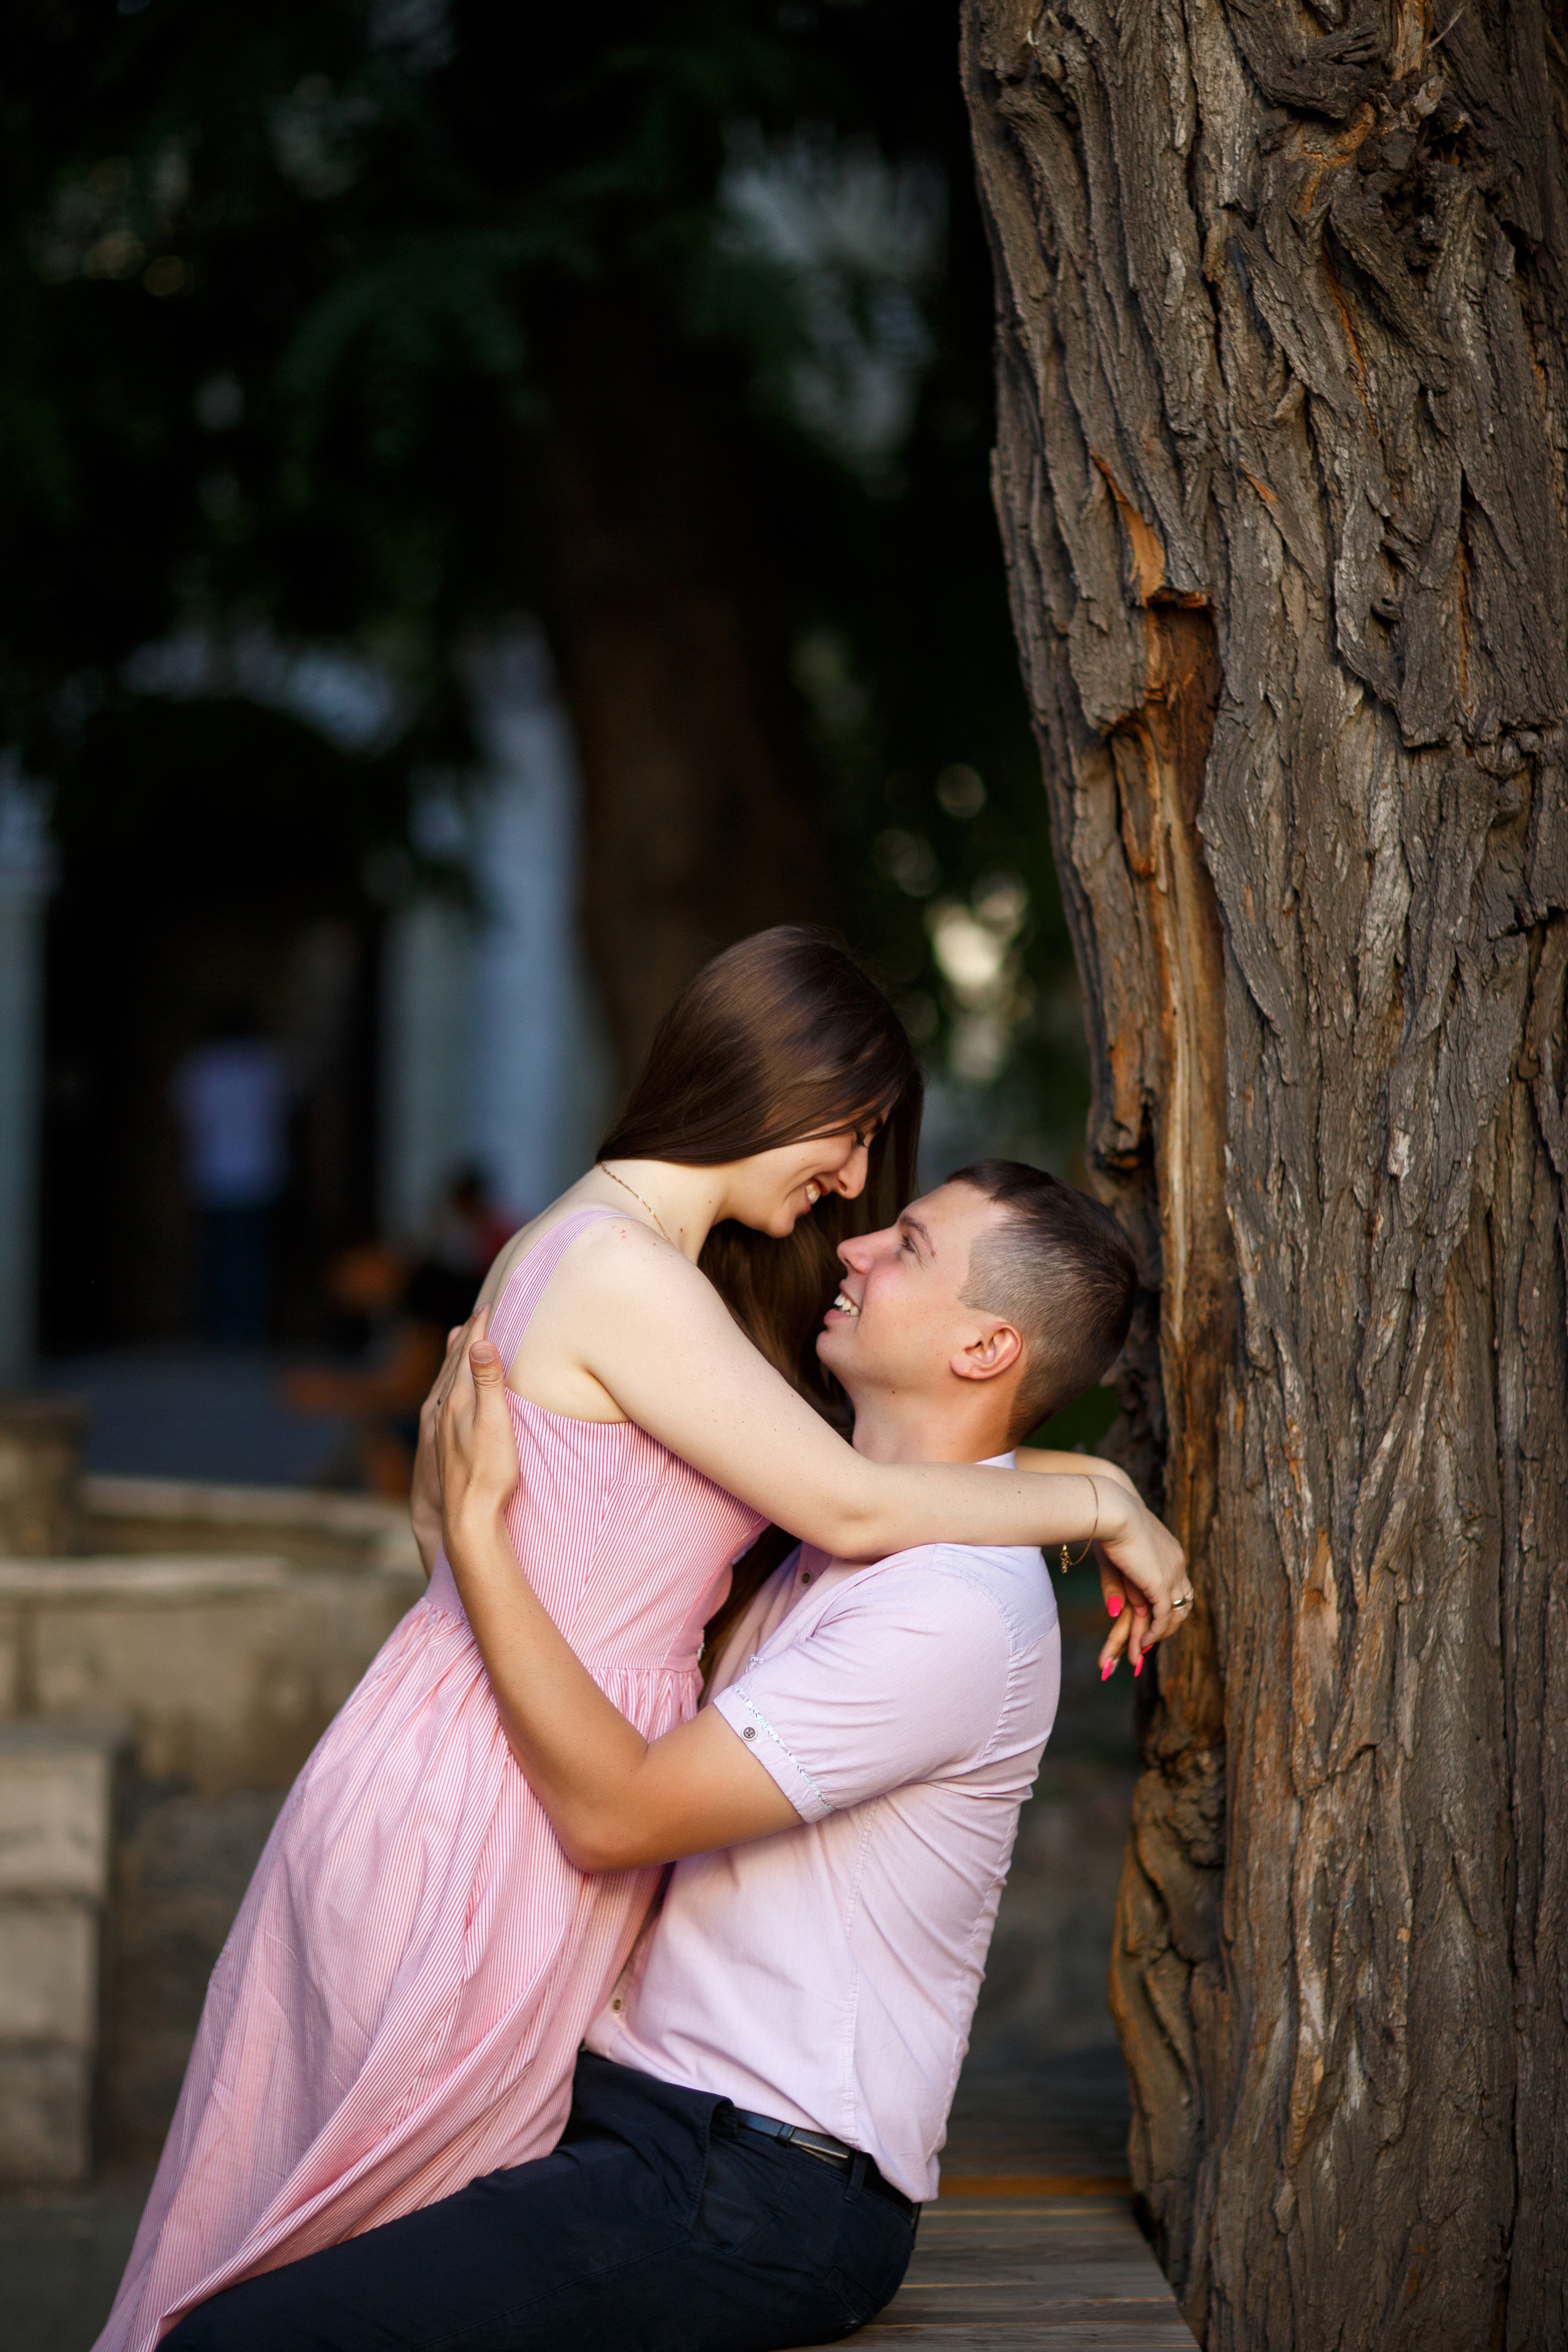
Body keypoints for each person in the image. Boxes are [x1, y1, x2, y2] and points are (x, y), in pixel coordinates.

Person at [98, 928, 1183, 2352]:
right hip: (490, 1821)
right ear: (783, 1086)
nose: (851, 1199)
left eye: (900, 1221)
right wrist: (1096, 1493)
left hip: (579, 1904)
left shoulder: (672, 1312)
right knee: (307, 2257)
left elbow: (846, 1493)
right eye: (855, 1138)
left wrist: (470, 1544)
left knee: (320, 2251)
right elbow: (849, 1496)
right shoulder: (624, 1274)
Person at [284, 1239, 483, 1496]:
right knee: (369, 1424)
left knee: (380, 1431)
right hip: (453, 1408)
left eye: (349, 1274)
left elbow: (412, 1385)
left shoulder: (427, 1288)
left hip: (480, 1409)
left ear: (372, 1256)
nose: (349, 1290)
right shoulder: (388, 1309)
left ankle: (393, 1511)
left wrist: (331, 1391)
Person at [170, 1006, 293, 1344]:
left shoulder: (201, 1066)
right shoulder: (267, 1064)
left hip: (212, 1173)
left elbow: (182, 1124)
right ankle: (248, 1329)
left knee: (214, 1256)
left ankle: (217, 1329)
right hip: (260, 1173)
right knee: (253, 1257)